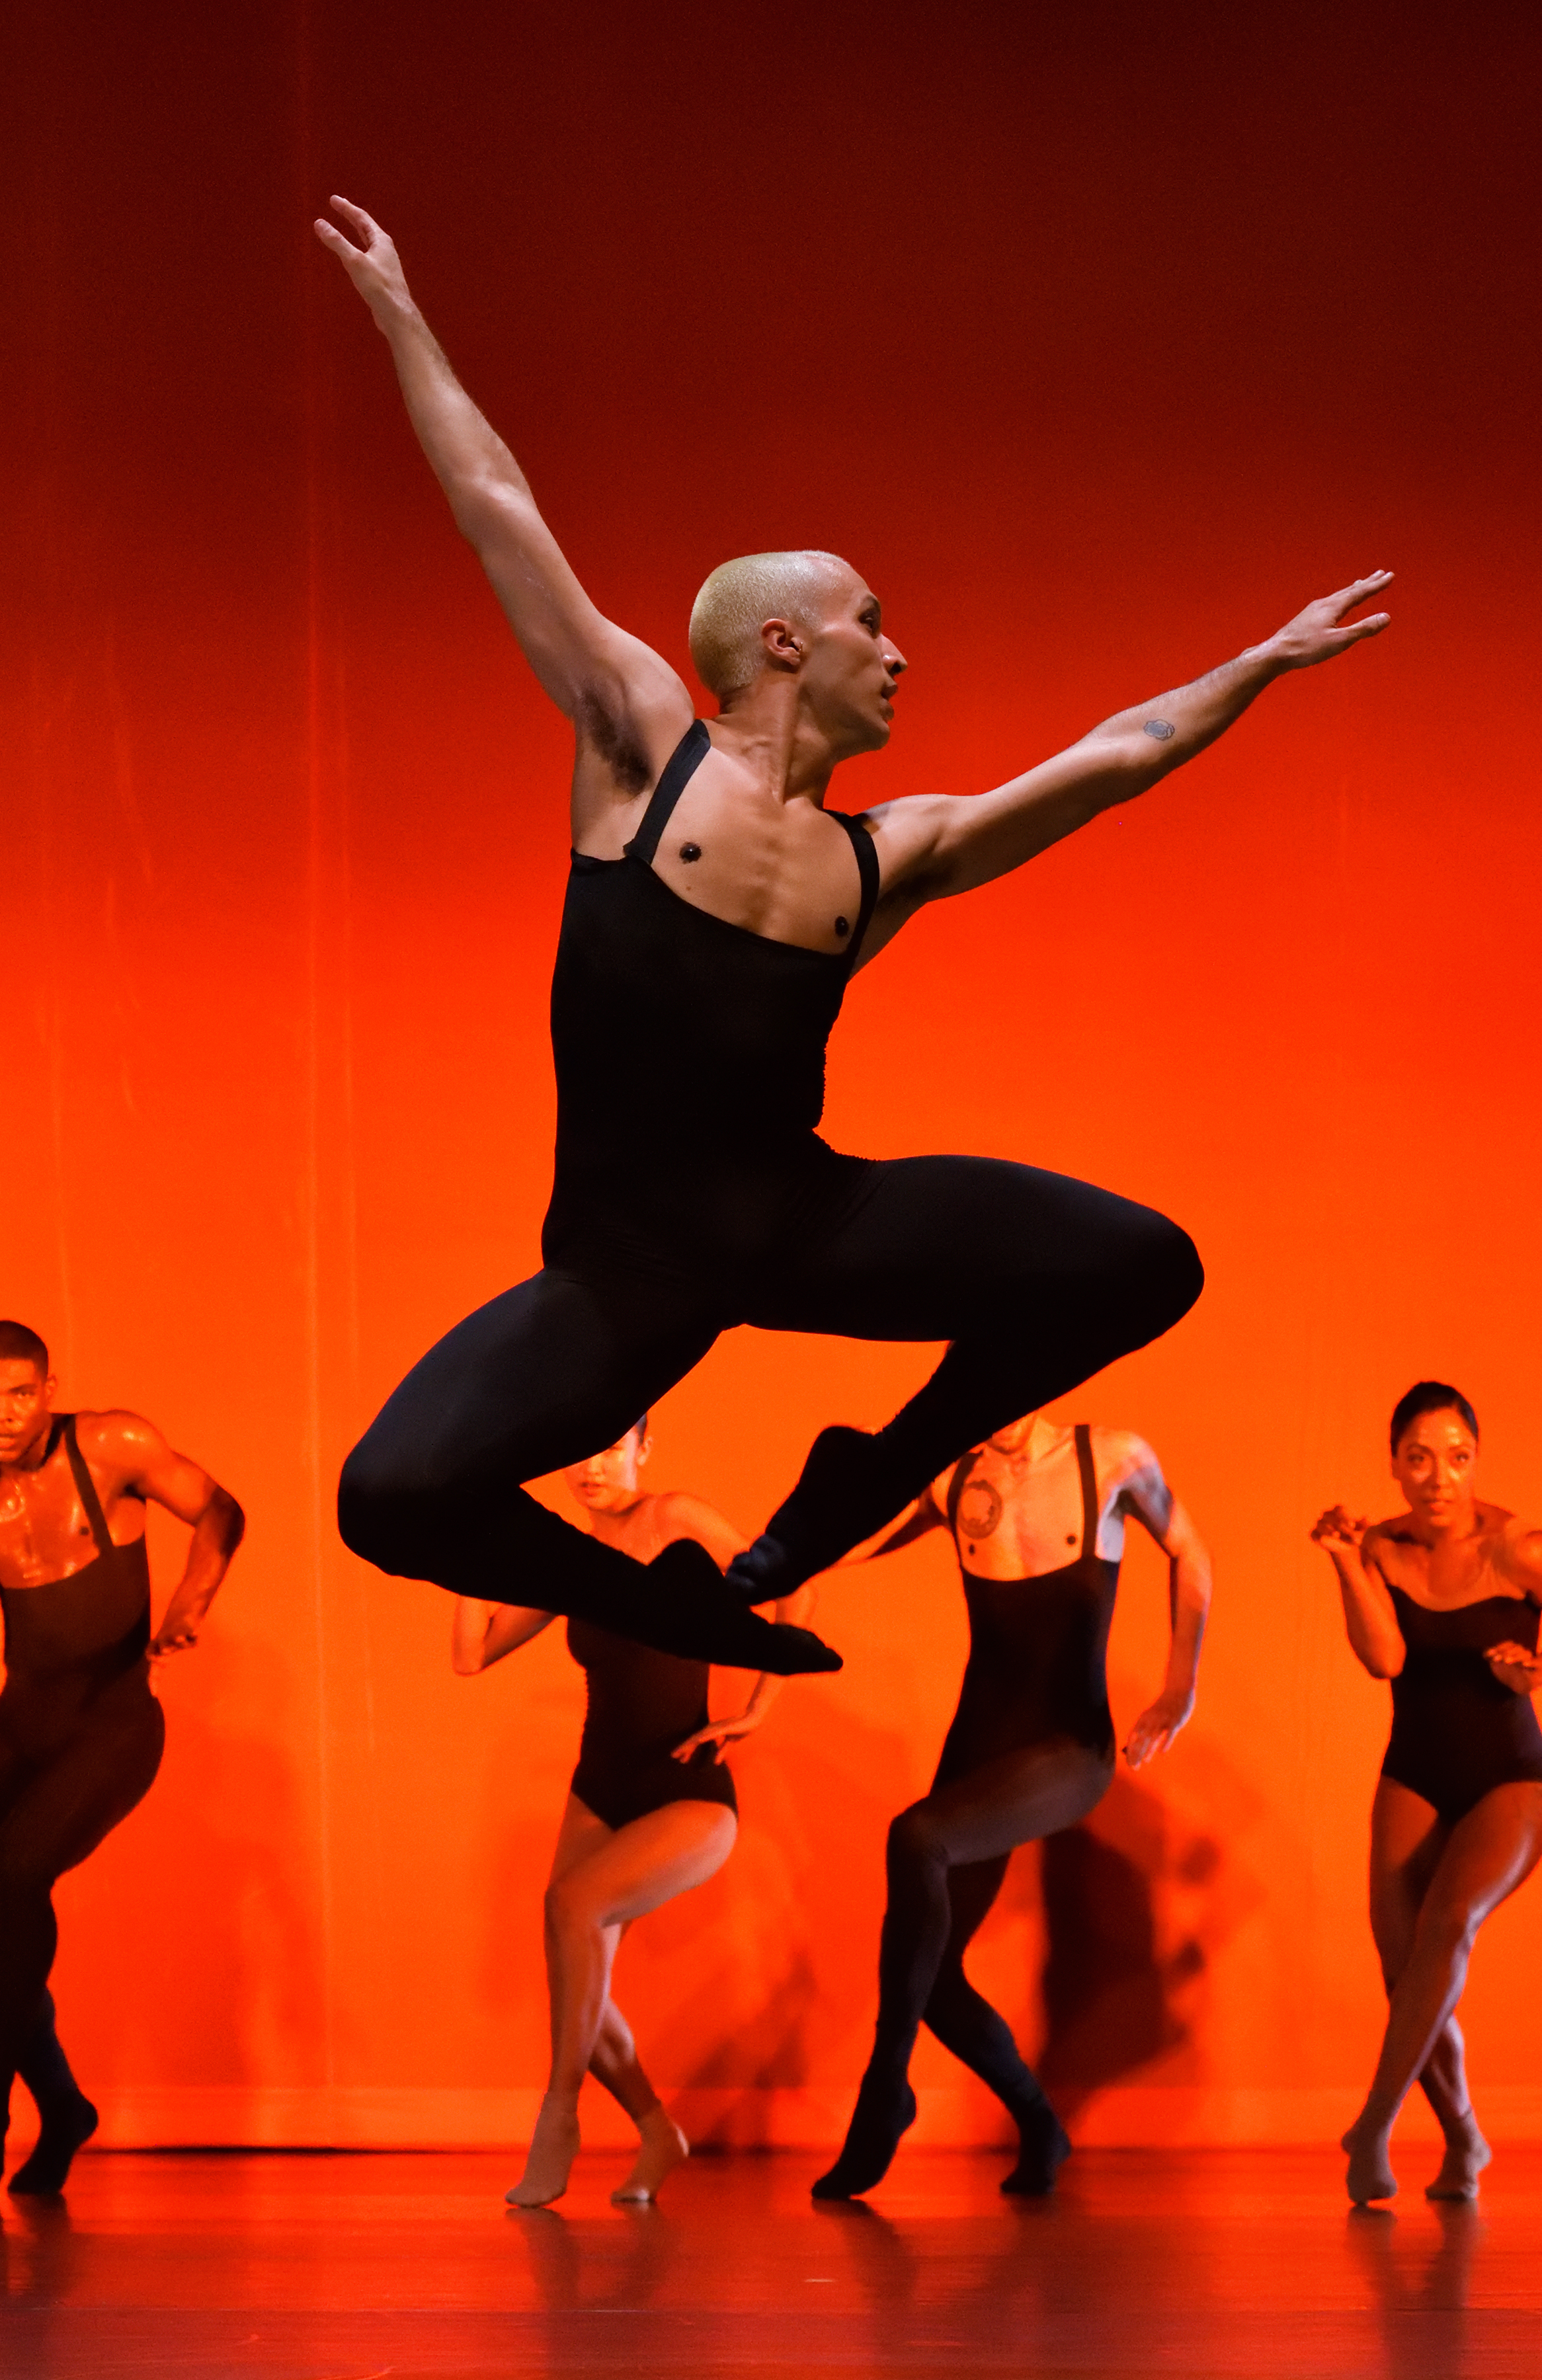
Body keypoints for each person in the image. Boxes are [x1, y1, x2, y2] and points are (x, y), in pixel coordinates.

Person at [313, 196, 1387, 1675]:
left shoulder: (894, 855)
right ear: (782, 645)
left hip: (809, 1230)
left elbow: (1119, 753)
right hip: (626, 1275)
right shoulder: (638, 746)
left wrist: (1259, 662)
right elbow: (497, 505)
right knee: (390, 1495)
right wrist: (401, 315)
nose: (901, 653)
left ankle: (867, 1474)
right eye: (874, 624)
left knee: (1146, 1266)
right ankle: (677, 1611)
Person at [0, 1320, 246, 2196]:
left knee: (16, 1874)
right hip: (20, 1735)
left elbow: (221, 1508)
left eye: (16, 1392)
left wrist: (190, 1600)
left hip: (112, 1725)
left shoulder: (111, 1444)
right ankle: (65, 2104)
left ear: (46, 1390)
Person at [809, 1408, 1211, 2200]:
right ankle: (1040, 2125)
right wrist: (765, 1560)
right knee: (935, 1973)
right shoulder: (955, 1475)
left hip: (1069, 1748)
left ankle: (884, 2096)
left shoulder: (1113, 1456)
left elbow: (1190, 1548)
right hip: (980, 1748)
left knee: (915, 1836)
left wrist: (1179, 1685)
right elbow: (840, 1545)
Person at [453, 1418, 800, 2208]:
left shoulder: (677, 1517)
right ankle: (655, 2131)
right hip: (598, 1788)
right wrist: (468, 1550)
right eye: (577, 1449)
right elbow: (471, 1654)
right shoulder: (566, 1564)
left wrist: (755, 1709)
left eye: (612, 1445)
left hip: (690, 1793)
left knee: (569, 1908)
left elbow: (790, 1584)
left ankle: (559, 2116)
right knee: (582, 1979)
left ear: (645, 1450)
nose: (592, 1466)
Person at [1312, 1381, 1542, 2206]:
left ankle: (1372, 2124)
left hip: (1511, 1777)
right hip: (1414, 1768)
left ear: (1475, 1461)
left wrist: (1539, 1672)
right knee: (1402, 1962)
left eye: (1456, 1457)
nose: (1439, 1477)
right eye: (1419, 1459)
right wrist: (1345, 1562)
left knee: (1450, 1923)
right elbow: (1386, 1661)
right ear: (1396, 1467)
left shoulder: (1522, 1550)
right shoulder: (1380, 1545)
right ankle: (1465, 2139)